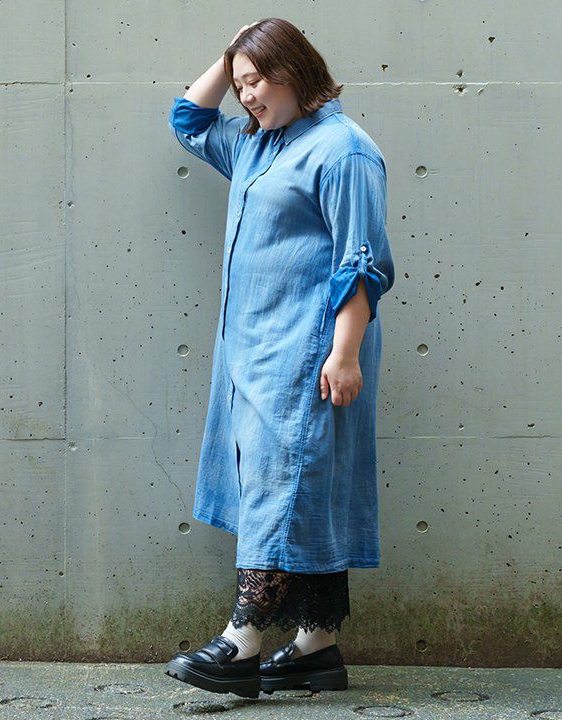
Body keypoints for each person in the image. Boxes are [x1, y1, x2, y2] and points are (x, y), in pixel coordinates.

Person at [164, 17, 395, 699]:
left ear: (293, 71)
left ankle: (242, 642)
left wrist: (345, 354)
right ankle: (317, 647)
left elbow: (361, 263)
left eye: (257, 81)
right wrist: (233, 51)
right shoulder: (256, 143)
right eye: (240, 86)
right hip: (252, 354)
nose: (245, 97)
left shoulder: (343, 151)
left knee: (280, 485)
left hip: (306, 352)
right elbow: (186, 119)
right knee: (303, 489)